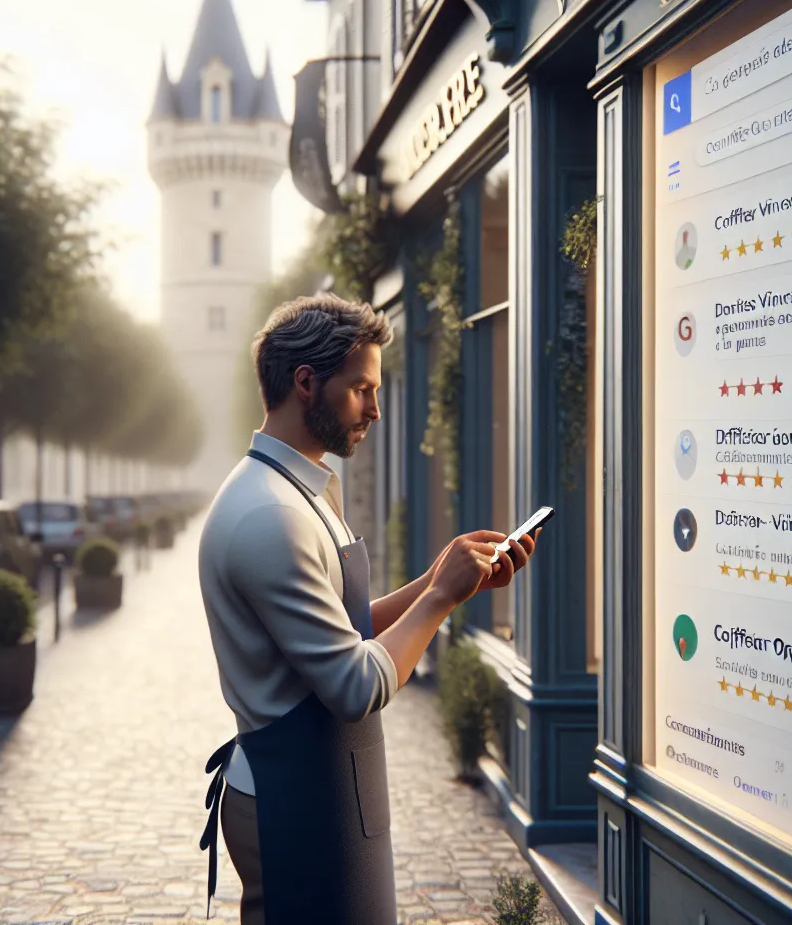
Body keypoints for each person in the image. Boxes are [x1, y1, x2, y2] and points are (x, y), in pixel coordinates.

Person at [196, 294, 540, 925]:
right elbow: (356, 683)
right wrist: (441, 598)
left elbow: (341, 634)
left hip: (323, 786)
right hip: (297, 801)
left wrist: (442, 575)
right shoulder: (273, 514)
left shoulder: (294, 489)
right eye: (361, 389)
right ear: (306, 383)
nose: (376, 410)